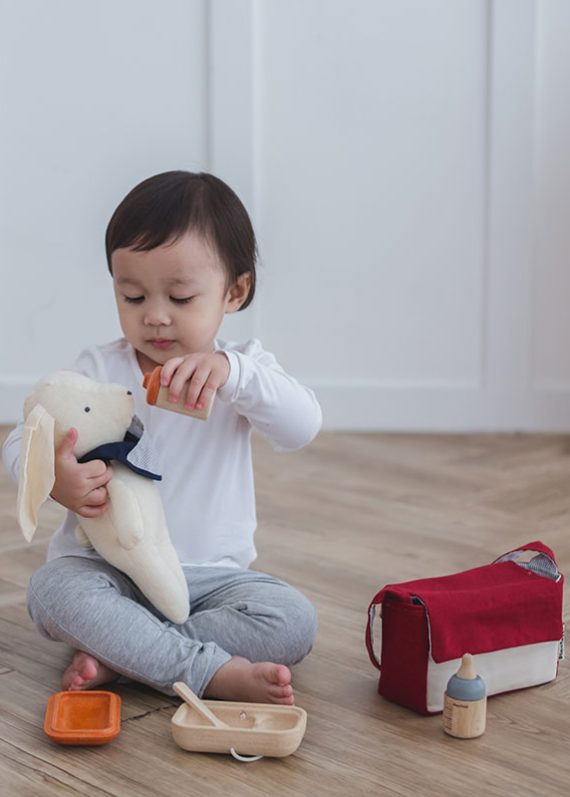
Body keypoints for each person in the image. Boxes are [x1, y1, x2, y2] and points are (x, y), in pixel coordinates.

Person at [2, 171, 322, 705]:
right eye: (132, 296)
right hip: (107, 572)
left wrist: (235, 374)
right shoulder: (99, 368)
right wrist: (53, 478)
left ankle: (126, 656)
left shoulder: (242, 371)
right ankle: (205, 671)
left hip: (208, 580)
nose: (154, 316)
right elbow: (22, 438)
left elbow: (302, 427)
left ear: (235, 291)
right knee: (50, 591)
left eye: (180, 296)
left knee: (293, 621)